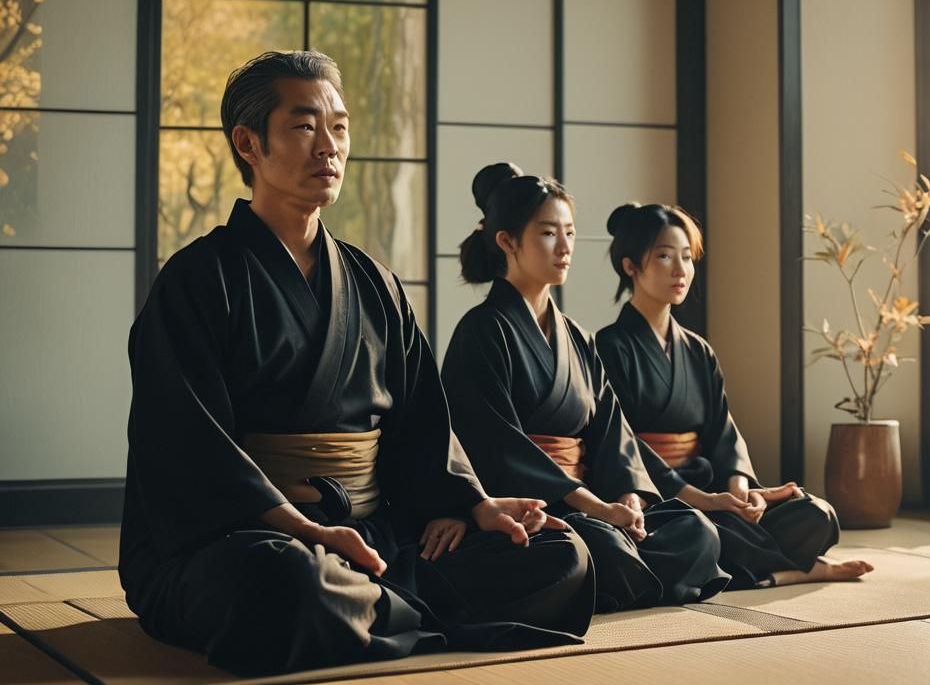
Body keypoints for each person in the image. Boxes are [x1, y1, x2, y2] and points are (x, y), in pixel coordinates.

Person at [118, 52, 593, 677]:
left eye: (339, 128)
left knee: (565, 552)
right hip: (247, 537)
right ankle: (397, 605)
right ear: (248, 143)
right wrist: (304, 530)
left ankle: (376, 606)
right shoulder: (198, 280)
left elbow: (424, 425)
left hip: (373, 536)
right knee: (283, 580)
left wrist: (471, 505)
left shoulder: (375, 284)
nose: (329, 147)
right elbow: (186, 445)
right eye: (304, 126)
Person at [441, 163, 729, 613]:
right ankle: (640, 581)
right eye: (548, 234)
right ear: (507, 241)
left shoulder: (576, 336)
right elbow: (496, 445)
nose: (565, 248)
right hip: (537, 503)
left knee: (695, 531)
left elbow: (612, 430)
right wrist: (595, 508)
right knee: (590, 547)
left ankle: (622, 582)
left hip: (594, 497)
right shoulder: (481, 330)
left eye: (570, 233)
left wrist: (628, 495)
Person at [595, 202, 873, 588]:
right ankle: (802, 570)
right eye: (663, 256)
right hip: (659, 496)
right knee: (696, 534)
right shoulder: (609, 347)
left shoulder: (697, 350)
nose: (680, 270)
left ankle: (754, 566)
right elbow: (621, 444)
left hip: (711, 487)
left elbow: (723, 432)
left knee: (816, 514)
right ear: (630, 266)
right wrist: (703, 500)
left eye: (688, 258)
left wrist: (740, 493)